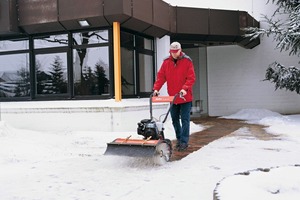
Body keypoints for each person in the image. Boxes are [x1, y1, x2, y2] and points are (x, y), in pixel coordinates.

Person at [153, 41, 196, 151]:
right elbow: (161, 77)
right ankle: (179, 138)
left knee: (185, 120)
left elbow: (191, 78)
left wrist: (184, 88)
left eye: (176, 52)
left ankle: (184, 141)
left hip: (185, 97)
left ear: (180, 50)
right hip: (173, 97)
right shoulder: (166, 62)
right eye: (172, 52)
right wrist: (156, 89)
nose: (174, 54)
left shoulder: (187, 61)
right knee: (175, 120)